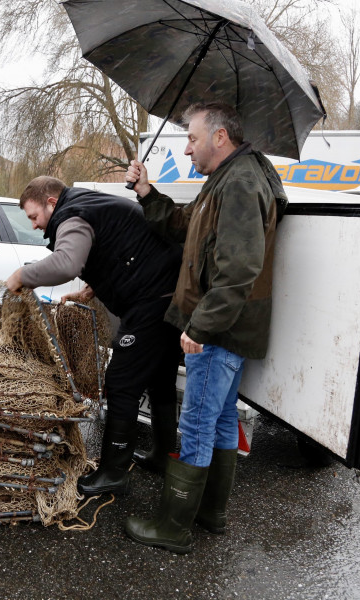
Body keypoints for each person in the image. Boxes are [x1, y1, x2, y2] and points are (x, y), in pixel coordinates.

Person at [123, 102, 287, 554]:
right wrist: (144, 189)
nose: (188, 147)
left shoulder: (239, 184)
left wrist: (201, 327)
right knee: (216, 421)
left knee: (196, 423)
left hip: (216, 332)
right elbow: (181, 224)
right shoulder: (226, 180)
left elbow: (239, 270)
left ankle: (173, 526)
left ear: (219, 138)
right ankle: (211, 513)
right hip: (226, 330)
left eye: (193, 138)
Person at [5, 175, 182, 497]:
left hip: (150, 303)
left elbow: (67, 262)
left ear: (51, 202)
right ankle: (165, 456)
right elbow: (120, 247)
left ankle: (113, 473)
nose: (34, 225)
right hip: (170, 296)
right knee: (160, 380)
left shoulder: (72, 215)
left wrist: (22, 274)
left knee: (121, 384)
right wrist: (91, 289)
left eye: (34, 216)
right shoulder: (88, 203)